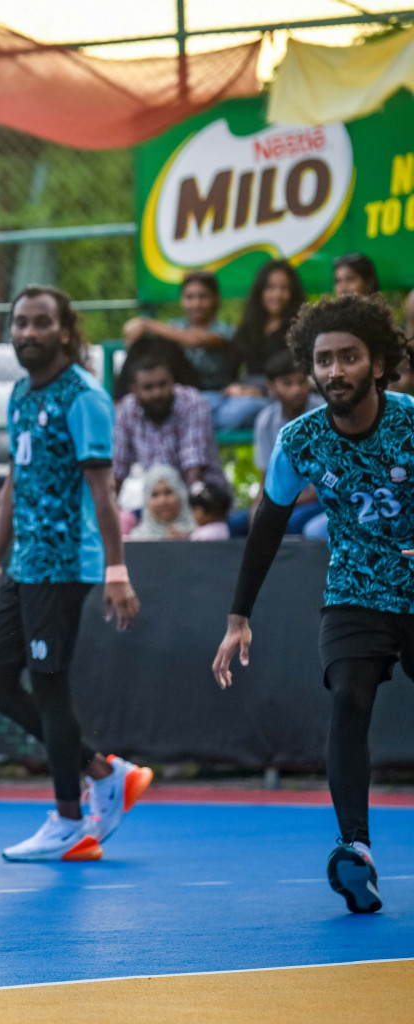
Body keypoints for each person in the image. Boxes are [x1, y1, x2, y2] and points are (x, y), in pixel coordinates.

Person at [213, 294, 412, 915]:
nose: (334, 371)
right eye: (323, 360)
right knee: (349, 698)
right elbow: (268, 524)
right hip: (354, 588)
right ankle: (356, 848)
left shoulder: (411, 422)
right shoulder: (300, 440)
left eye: (349, 357)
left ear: (378, 364)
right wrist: (237, 617)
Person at [0, 286, 150, 862]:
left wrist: (117, 569)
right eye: (19, 323)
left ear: (65, 331)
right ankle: (101, 770)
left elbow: (102, 490)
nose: (27, 333)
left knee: (48, 685)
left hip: (65, 563)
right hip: (23, 565)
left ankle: (72, 820)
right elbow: (16, 487)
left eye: (41, 323)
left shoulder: (85, 397)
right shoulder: (20, 393)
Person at [122, 271, 251, 428]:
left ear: (215, 298)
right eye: (190, 297)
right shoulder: (173, 326)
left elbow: (194, 340)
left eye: (202, 297)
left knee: (164, 344)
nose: (196, 304)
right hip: (173, 388)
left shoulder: (225, 330)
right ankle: (122, 399)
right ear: (182, 300)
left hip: (209, 390)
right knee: (146, 345)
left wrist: (147, 324)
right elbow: (131, 332)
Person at [112, 348, 230, 495]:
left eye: (163, 384)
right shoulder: (126, 410)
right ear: (134, 390)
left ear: (173, 381)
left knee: (203, 496)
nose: (157, 393)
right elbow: (118, 467)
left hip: (205, 493)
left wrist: (192, 509)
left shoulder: (191, 402)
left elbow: (193, 461)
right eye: (148, 388)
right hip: (160, 501)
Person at [253, 349, 325, 535]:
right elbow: (265, 479)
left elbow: (331, 484)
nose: (297, 390)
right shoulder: (266, 421)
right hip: (284, 500)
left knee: (291, 522)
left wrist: (281, 503)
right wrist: (257, 509)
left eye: (302, 381)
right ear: (272, 387)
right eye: (287, 383)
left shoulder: (325, 413)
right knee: (239, 524)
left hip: (322, 500)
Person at [233, 260, 307, 387]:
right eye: (270, 287)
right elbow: (231, 363)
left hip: (284, 391)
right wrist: (233, 387)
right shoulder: (249, 326)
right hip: (247, 389)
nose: (277, 294)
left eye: (284, 288)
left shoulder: (301, 327)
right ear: (260, 291)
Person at [127, 464, 195, 541]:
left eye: (168, 492)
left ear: (181, 495)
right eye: (155, 495)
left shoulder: (199, 535)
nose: (162, 501)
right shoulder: (137, 540)